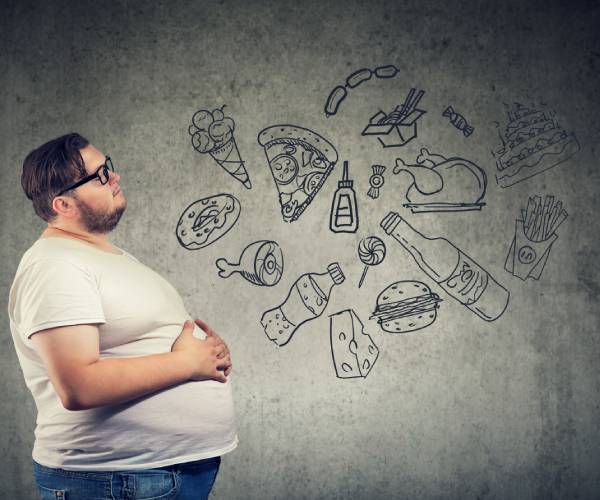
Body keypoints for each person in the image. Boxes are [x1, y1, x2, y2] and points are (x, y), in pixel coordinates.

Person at [8, 133, 237, 500]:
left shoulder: (102, 256)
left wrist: (208, 353)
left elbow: (140, 342)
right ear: (63, 204)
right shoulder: (55, 264)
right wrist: (186, 362)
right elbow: (79, 385)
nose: (114, 177)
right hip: (115, 479)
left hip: (156, 474)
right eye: (99, 175)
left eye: (107, 166)